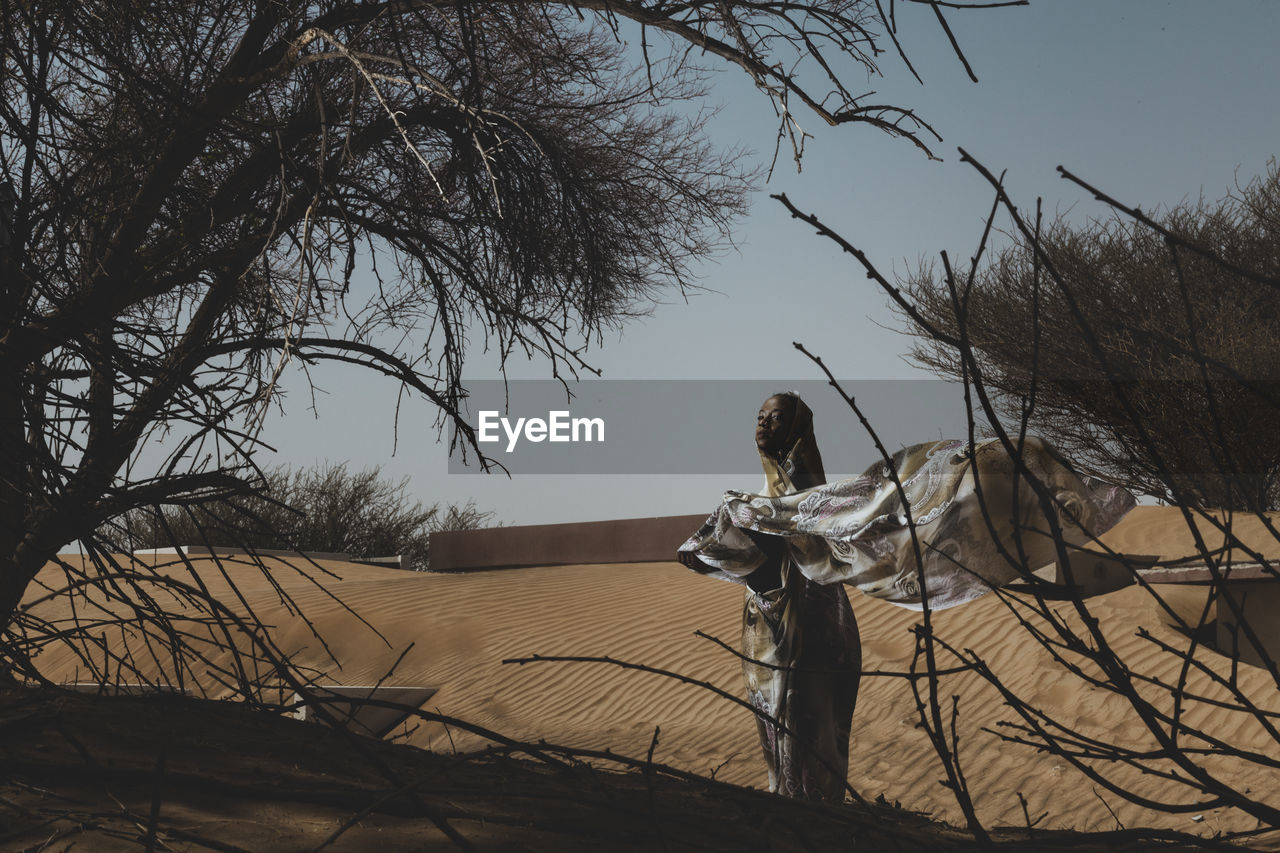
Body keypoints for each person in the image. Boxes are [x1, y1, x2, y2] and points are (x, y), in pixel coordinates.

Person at [678, 393, 1135, 801]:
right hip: (767, 626)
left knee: (809, 714)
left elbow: (869, 519)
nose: (764, 424)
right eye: (760, 416)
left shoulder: (824, 504)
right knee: (775, 725)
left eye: (776, 418)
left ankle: (814, 817)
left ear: (797, 431)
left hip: (815, 623)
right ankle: (787, 804)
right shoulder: (758, 503)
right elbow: (745, 555)